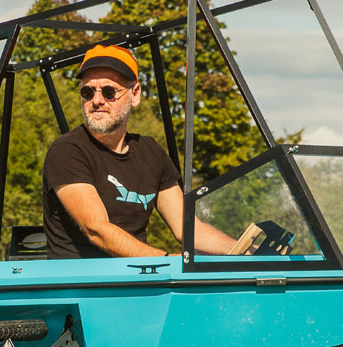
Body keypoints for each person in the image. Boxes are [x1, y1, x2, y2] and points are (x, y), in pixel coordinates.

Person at [42, 44, 236, 259]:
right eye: (87, 92)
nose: (96, 101)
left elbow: (188, 228)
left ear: (134, 95)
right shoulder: (68, 151)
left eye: (109, 92)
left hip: (136, 281)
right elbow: (97, 230)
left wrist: (246, 251)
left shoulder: (150, 151)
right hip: (82, 286)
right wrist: (167, 261)